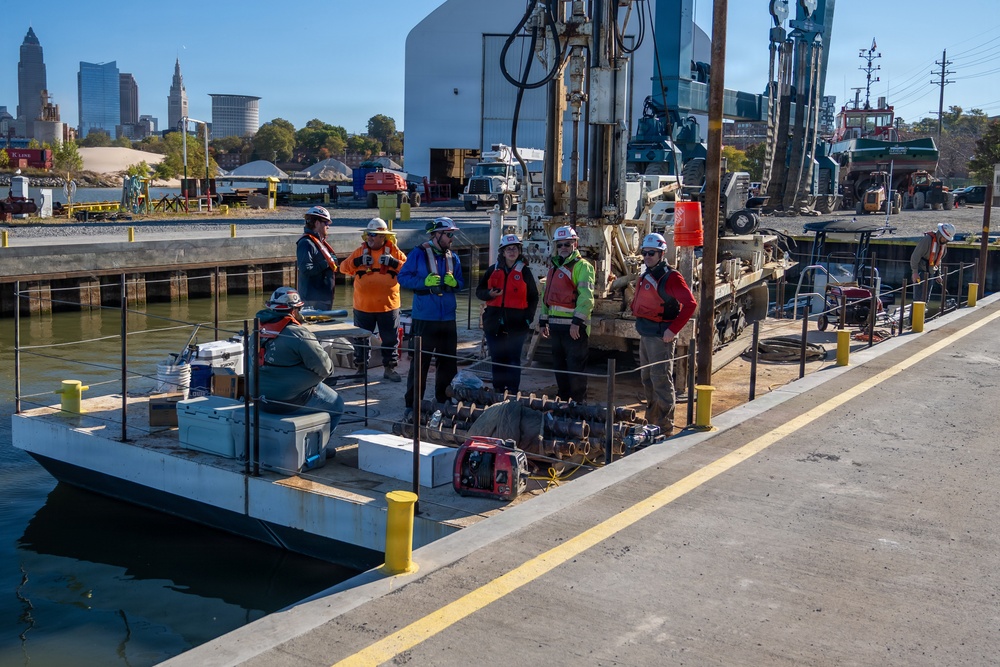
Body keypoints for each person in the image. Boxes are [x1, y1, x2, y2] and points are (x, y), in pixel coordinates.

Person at [398, 217, 464, 421]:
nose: (452, 238)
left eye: (452, 234)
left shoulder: (453, 257)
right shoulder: (418, 254)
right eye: (449, 234)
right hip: (425, 318)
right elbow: (402, 278)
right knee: (420, 364)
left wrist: (455, 283)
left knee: (448, 364)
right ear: (437, 235)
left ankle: (444, 401)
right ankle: (412, 405)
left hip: (447, 319)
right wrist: (423, 282)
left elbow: (461, 283)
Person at [631, 233, 697, 435]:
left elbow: (690, 304)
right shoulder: (646, 274)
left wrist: (672, 330)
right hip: (646, 332)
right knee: (647, 378)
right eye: (645, 253)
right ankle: (651, 422)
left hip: (661, 336)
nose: (647, 256)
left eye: (652, 253)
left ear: (661, 254)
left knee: (660, 379)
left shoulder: (671, 277)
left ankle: (665, 427)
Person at [255, 287, 345, 435]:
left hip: (259, 397)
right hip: (289, 399)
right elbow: (326, 368)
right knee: (337, 406)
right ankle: (317, 446)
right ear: (294, 310)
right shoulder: (298, 333)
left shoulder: (256, 330)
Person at [340, 218, 407, 382]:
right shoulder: (359, 252)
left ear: (383, 237)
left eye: (373, 234)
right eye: (368, 234)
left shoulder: (394, 252)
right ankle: (361, 370)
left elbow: (409, 270)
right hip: (363, 306)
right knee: (360, 340)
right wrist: (357, 262)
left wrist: (394, 262)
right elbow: (343, 268)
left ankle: (389, 369)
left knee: (390, 340)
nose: (369, 237)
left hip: (388, 306)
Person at [476, 233, 539, 394]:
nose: (512, 251)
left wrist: (528, 318)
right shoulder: (492, 270)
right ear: (502, 252)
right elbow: (479, 291)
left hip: (517, 325)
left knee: (513, 359)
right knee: (497, 358)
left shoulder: (525, 272)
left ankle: (512, 391)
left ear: (519, 251)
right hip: (494, 323)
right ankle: (498, 390)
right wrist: (489, 294)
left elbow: (533, 297)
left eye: (515, 248)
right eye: (508, 249)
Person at [538, 225, 595, 403]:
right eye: (560, 244)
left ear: (575, 244)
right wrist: (543, 321)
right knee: (559, 367)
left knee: (575, 368)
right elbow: (545, 296)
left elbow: (586, 298)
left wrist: (576, 322)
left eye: (567, 244)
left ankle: (578, 404)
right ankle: (563, 401)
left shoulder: (583, 266)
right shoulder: (553, 267)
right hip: (556, 327)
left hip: (573, 328)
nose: (563, 247)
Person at [297, 206, 339, 310]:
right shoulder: (306, 243)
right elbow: (306, 269)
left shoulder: (319, 242)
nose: (328, 227)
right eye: (326, 223)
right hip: (312, 301)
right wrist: (327, 262)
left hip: (323, 298)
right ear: (317, 223)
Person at [910, 222, 955, 292]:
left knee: (927, 296)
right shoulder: (927, 240)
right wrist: (915, 272)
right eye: (944, 238)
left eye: (947, 239)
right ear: (940, 234)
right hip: (920, 272)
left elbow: (938, 260)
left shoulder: (943, 244)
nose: (945, 240)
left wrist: (938, 274)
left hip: (931, 273)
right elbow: (915, 256)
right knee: (918, 296)